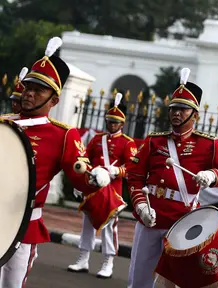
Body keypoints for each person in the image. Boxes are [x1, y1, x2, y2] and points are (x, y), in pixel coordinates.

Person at [0, 37, 111, 288]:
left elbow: (80, 177)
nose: (29, 93)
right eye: (28, 87)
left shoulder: (63, 135)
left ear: (54, 100)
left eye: (39, 90)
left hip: (22, 225)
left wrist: (94, 177)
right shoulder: (4, 123)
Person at [126, 67, 218, 288]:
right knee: (139, 278)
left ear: (195, 115)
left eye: (183, 109)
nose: (176, 113)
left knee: (175, 281)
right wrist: (141, 206)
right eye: (173, 108)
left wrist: (212, 175)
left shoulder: (208, 144)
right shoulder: (154, 141)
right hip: (151, 214)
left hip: (184, 220)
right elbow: (135, 176)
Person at [68, 93, 137, 278]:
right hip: (92, 188)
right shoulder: (97, 139)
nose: (111, 125)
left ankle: (108, 262)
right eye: (109, 121)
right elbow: (84, 158)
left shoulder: (127, 143)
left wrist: (116, 172)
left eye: (115, 122)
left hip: (111, 192)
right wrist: (80, 183)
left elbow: (132, 167)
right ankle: (83, 258)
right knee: (87, 224)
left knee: (109, 227)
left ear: (122, 124)